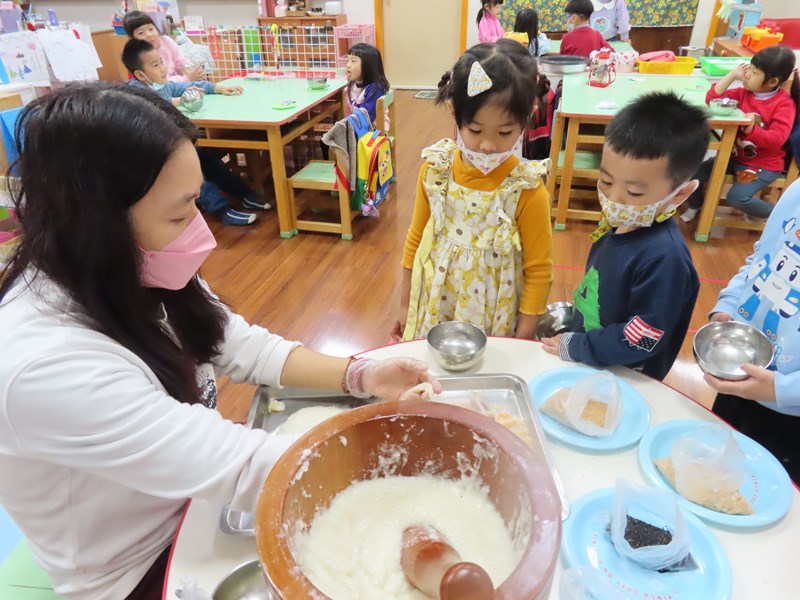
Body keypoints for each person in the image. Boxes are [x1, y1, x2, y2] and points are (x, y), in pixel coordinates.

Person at [0, 83, 440, 600]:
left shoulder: (133, 267)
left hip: (197, 502)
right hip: (140, 567)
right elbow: (241, 466)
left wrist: (359, 374)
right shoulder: (45, 366)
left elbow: (238, 343)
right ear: (95, 223)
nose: (199, 227)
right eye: (179, 212)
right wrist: (413, 459)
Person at [393, 39, 553, 342]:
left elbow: (539, 270)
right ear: (455, 113)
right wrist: (404, 305)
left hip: (497, 315)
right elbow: (415, 241)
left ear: (526, 118)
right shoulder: (436, 171)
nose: (488, 145)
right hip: (438, 301)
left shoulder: (527, 189)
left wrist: (524, 337)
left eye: (505, 132)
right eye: (476, 130)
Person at [542, 92, 708, 381]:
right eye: (606, 180)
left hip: (625, 377)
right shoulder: (621, 221)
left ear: (679, 194)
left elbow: (641, 338)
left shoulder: (665, 260)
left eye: (634, 193)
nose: (614, 198)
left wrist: (580, 345)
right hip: (595, 355)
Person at [702, 179, 800, 483]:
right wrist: (729, 305)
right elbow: (762, 257)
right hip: (744, 376)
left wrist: (783, 391)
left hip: (789, 415)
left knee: (761, 497)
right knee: (714, 474)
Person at [123, 38, 271, 226]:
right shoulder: (135, 93)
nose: (162, 68)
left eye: (161, 61)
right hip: (150, 157)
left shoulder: (162, 85)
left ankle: (244, 195)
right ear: (140, 74)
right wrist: (180, 101)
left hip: (171, 146)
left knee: (208, 160)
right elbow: (157, 104)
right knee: (189, 169)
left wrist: (218, 88)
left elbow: (188, 87)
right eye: (155, 65)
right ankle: (221, 209)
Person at [682, 45, 799, 223]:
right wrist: (731, 75)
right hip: (734, 158)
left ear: (772, 82)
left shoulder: (783, 104)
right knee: (692, 173)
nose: (747, 75)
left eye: (754, 72)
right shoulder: (745, 93)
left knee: (736, 198)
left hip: (762, 165)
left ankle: (780, 215)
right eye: (748, 69)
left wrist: (753, 129)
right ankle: (696, 204)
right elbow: (712, 100)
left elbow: (777, 139)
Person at [124, 10, 204, 83]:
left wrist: (193, 71)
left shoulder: (166, 41)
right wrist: (186, 78)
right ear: (132, 39)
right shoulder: (141, 56)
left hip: (182, 84)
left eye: (151, 29)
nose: (149, 35)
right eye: (141, 33)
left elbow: (181, 61)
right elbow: (159, 82)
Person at [345, 43, 390, 127]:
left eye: (353, 61)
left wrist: (345, 125)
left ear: (367, 66)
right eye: (347, 61)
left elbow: (366, 117)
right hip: (359, 127)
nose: (348, 65)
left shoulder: (375, 89)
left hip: (373, 133)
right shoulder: (352, 84)